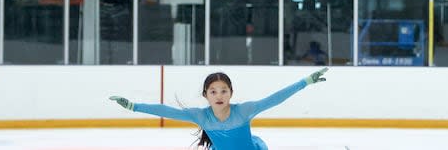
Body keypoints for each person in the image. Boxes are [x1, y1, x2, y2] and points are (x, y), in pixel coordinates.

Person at [110, 68, 327, 150]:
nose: (219, 96)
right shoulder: (201, 116)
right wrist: (133, 106)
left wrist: (305, 81)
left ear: (231, 92)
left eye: (224, 91)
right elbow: (166, 111)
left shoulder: (243, 111)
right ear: (206, 95)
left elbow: (274, 99)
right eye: (213, 92)